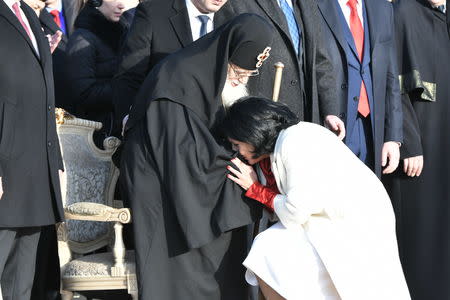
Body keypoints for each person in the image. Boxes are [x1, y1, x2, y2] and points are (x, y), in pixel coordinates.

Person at [119, 14, 274, 299]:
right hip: (164, 189)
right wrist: (244, 175)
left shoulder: (208, 75)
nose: (240, 80)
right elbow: (183, 154)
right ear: (226, 51)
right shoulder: (177, 78)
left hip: (186, 174)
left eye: (246, 76)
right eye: (237, 72)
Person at [221, 97, 410, 300]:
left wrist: (255, 188)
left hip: (352, 222)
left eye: (237, 144)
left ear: (252, 134)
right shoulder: (291, 138)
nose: (237, 152)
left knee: (267, 249)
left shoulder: (294, 142)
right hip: (336, 220)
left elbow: (295, 212)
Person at [382, 0, 449, 298]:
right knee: (421, 236)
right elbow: (393, 81)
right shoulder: (403, 12)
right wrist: (408, 141)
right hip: (421, 147)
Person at [0, 0, 63, 299]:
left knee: (22, 280)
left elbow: (44, 93)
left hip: (35, 166)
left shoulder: (27, 14)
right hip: (5, 169)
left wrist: (54, 161)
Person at [113, 0, 237, 127]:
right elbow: (129, 75)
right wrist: (129, 121)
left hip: (211, 130)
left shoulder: (232, 19)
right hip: (160, 126)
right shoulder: (153, 12)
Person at [230, 0, 344, 136]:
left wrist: (330, 111)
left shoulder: (308, 3)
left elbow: (320, 60)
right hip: (264, 124)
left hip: (307, 120)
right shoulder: (235, 3)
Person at [316, 0, 403, 177]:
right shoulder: (315, 5)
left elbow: (391, 75)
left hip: (372, 129)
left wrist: (393, 137)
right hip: (332, 126)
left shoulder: (383, 8)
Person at [66, 0, 128, 147]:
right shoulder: (82, 39)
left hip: (117, 131)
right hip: (98, 136)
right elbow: (83, 93)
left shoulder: (124, 32)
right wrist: (125, 89)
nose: (121, 5)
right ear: (95, 1)